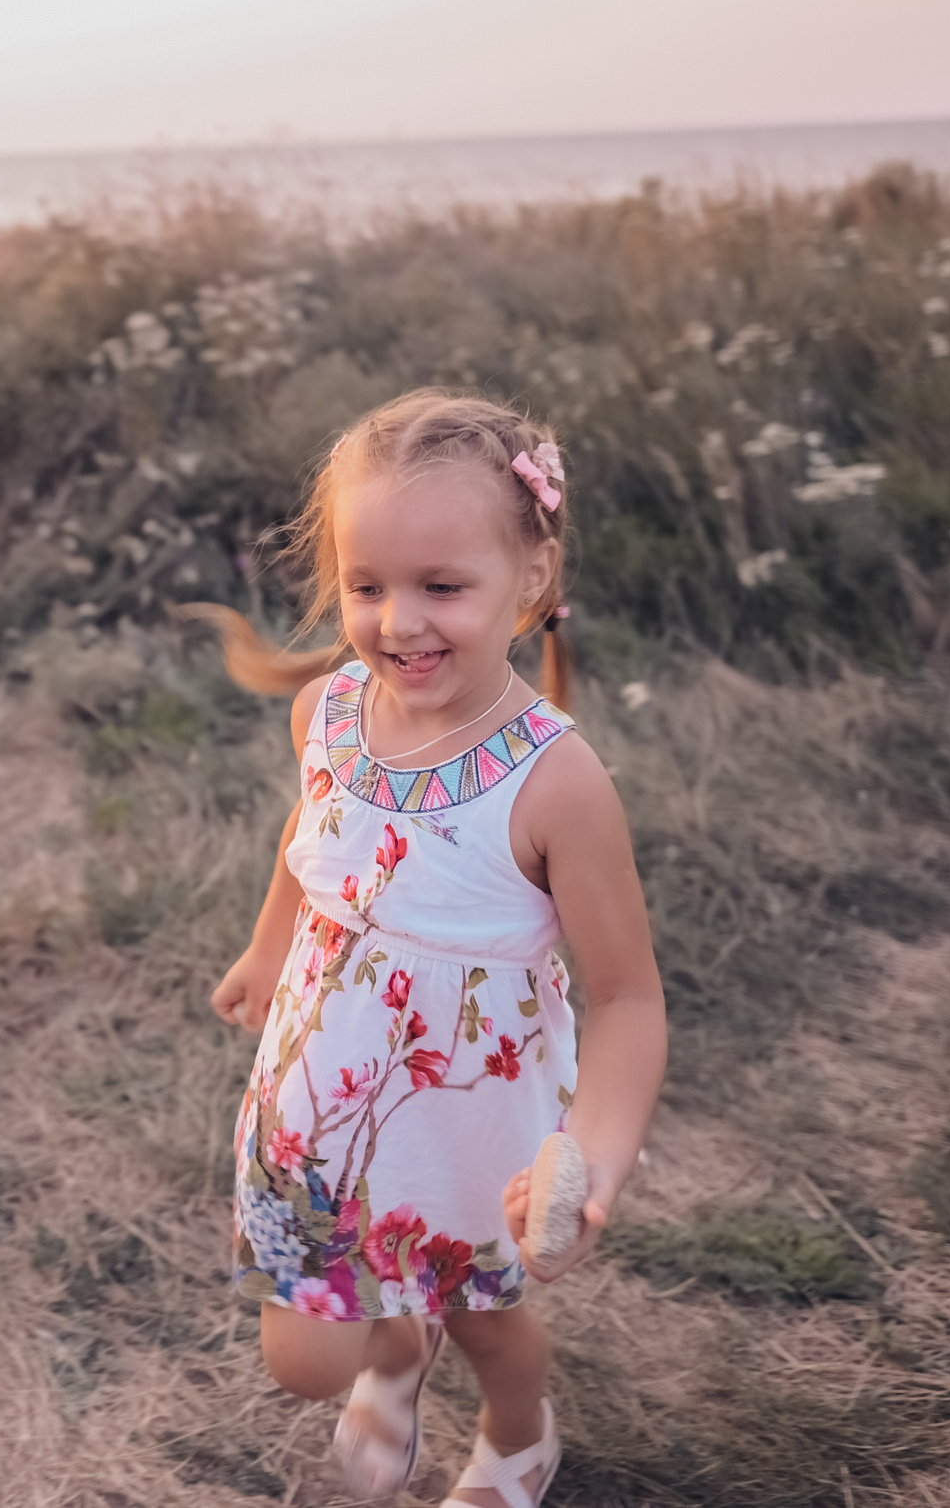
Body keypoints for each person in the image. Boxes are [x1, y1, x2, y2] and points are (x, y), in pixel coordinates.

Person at [188, 389, 666, 1506]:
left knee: (484, 1318)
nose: (399, 621)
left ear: (530, 577)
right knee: (305, 1360)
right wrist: (267, 946)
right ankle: (396, 1343)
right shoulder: (327, 713)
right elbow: (312, 837)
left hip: (465, 1120)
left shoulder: (555, 783)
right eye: (368, 586)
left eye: (441, 587)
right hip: (320, 1093)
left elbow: (628, 999)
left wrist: (591, 1161)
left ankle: (518, 1434)